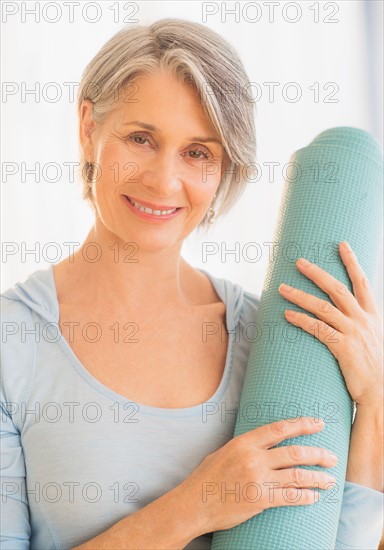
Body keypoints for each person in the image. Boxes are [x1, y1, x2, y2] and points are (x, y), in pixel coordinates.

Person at [1, 18, 383, 550]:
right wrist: (196, 505)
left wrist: (373, 401)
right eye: (141, 138)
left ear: (224, 168)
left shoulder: (274, 337)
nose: (164, 181)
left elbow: (339, 542)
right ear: (88, 127)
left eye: (198, 152)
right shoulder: (12, 343)